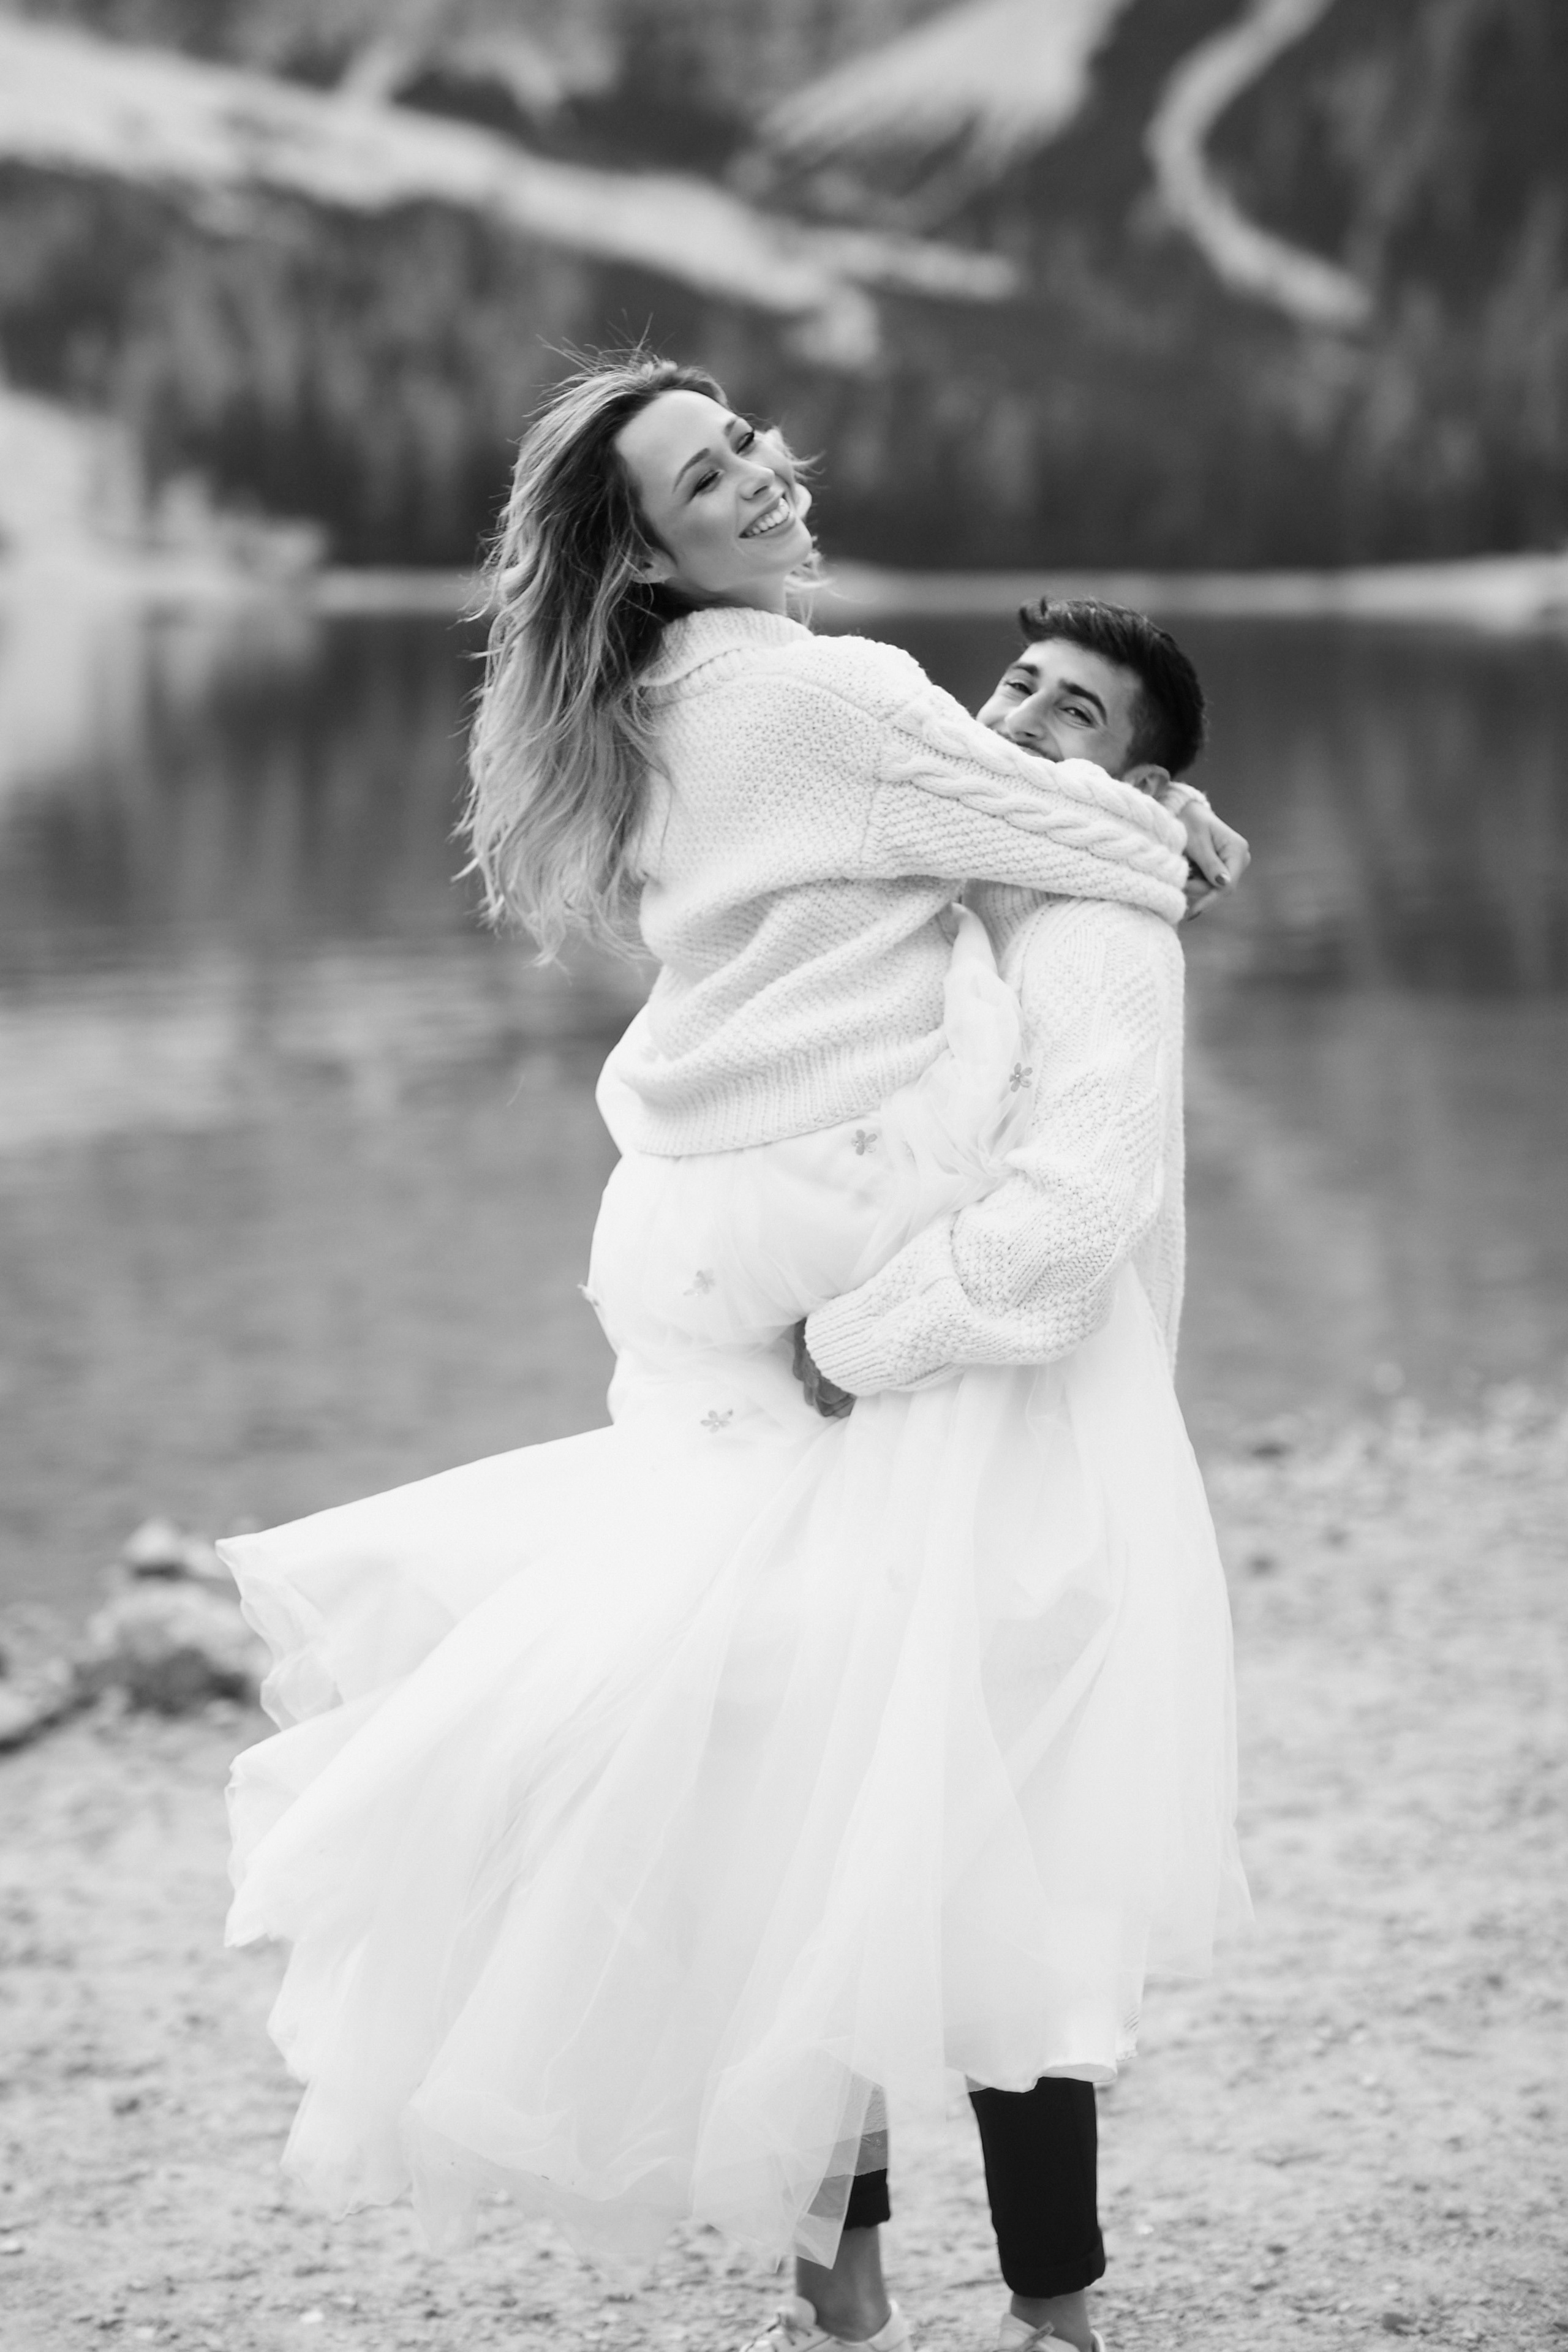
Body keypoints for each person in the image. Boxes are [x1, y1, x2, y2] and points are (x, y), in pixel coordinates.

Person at [220, 360, 1246, 2351]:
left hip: (729, 1311)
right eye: (712, 474)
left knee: (814, 1807)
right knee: (964, 1839)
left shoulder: (682, 709)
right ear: (653, 549)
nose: (766, 472)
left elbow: (983, 799)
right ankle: (1045, 2316)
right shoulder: (824, 701)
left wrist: (1109, 811)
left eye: (750, 441)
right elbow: (1099, 858)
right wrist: (1167, 831)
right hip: (881, 1362)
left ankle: (839, 2289)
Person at [781, 598, 1245, 2352]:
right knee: (814, 1833)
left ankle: (1055, 2316)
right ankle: (843, 2268)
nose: (1029, 712)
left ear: (1133, 774)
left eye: (1079, 710)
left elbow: (1068, 1227)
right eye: (1018, 683)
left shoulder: (1100, 923)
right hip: (880, 1441)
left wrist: (847, 1342)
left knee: (1012, 1898)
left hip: (1018, 1453)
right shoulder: (946, 869)